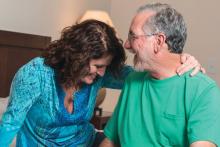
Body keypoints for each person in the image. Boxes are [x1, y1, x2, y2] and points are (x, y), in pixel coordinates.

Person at [0, 19, 202, 147]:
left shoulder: (100, 74)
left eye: (106, 66)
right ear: (76, 56)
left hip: (87, 142)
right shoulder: (35, 75)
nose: (102, 73)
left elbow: (145, 75)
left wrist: (178, 62)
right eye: (98, 65)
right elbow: (9, 125)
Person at [101, 3, 220, 147]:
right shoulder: (132, 81)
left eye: (133, 36)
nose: (126, 45)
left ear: (158, 41)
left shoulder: (203, 90)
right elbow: (110, 140)